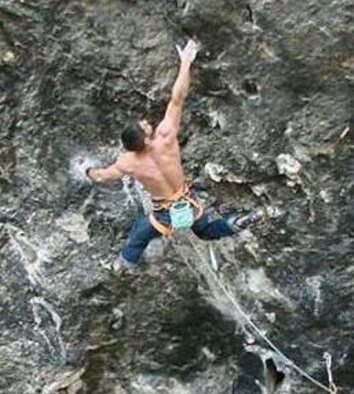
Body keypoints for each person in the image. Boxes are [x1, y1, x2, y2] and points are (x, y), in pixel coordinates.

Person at [86, 39, 261, 270]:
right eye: (145, 126)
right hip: (187, 201)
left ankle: (123, 265)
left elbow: (103, 176)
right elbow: (177, 99)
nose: (147, 122)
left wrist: (87, 171)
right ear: (147, 139)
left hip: (165, 212)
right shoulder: (166, 137)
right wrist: (185, 63)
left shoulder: (128, 162)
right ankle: (236, 223)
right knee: (204, 230)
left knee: (140, 233)